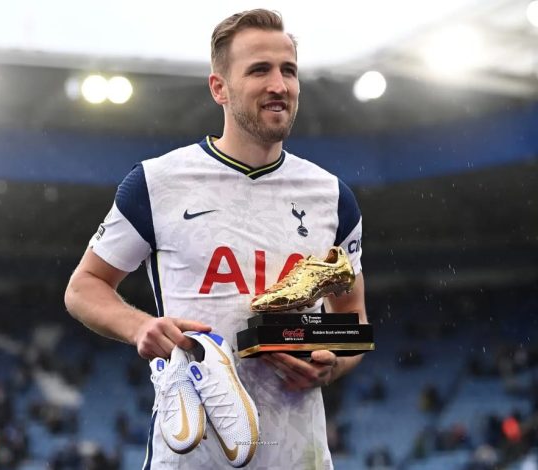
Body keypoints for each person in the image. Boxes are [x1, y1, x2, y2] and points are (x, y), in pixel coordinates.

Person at [64, 8, 367, 469]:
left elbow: (351, 320)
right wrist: (140, 327)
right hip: (190, 459)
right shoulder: (156, 183)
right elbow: (84, 286)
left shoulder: (333, 196)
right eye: (259, 70)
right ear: (219, 88)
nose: (279, 85)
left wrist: (334, 362)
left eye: (288, 70)